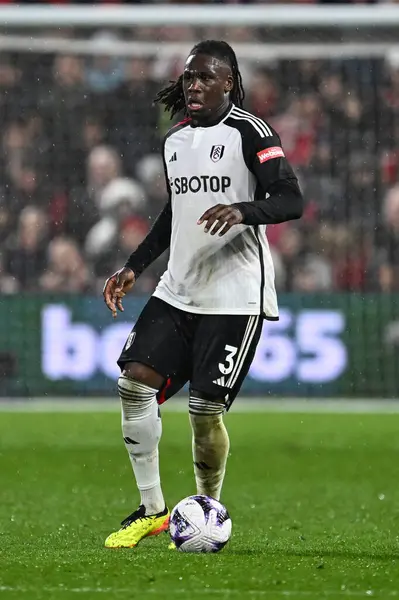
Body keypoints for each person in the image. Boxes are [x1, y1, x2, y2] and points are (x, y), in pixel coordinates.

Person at [102, 40, 303, 549]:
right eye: (188, 77)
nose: (194, 85)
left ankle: (206, 508)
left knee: (204, 411)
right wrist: (133, 265)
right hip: (179, 288)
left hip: (235, 294)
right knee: (133, 383)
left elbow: (290, 199)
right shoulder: (174, 141)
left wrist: (242, 210)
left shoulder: (250, 132)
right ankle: (151, 510)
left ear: (229, 82)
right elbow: (176, 214)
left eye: (205, 77)